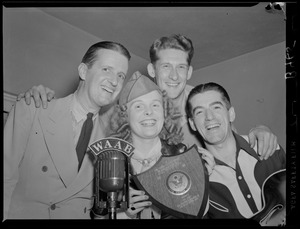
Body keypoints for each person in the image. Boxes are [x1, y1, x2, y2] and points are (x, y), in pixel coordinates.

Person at [16, 34, 278, 160]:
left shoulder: (200, 103)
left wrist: (260, 130)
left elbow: (227, 140)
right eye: (166, 67)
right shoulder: (126, 100)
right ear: (152, 70)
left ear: (190, 71)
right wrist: (40, 98)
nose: (174, 75)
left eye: (181, 68)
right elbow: (85, 124)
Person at [4, 41, 131, 219]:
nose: (114, 81)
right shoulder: (33, 109)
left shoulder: (111, 141)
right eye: (106, 69)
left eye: (121, 75)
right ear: (83, 71)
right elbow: (5, 178)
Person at [100, 71, 211, 219]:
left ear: (165, 113)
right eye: (139, 106)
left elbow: (199, 212)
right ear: (124, 116)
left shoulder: (180, 152)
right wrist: (124, 213)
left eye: (155, 105)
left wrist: (201, 180)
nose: (149, 112)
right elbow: (99, 214)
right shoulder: (111, 165)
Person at [186, 82, 286, 221]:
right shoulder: (194, 179)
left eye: (216, 107)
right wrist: (198, 187)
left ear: (231, 114)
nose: (209, 117)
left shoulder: (269, 148)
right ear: (192, 124)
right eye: (199, 112)